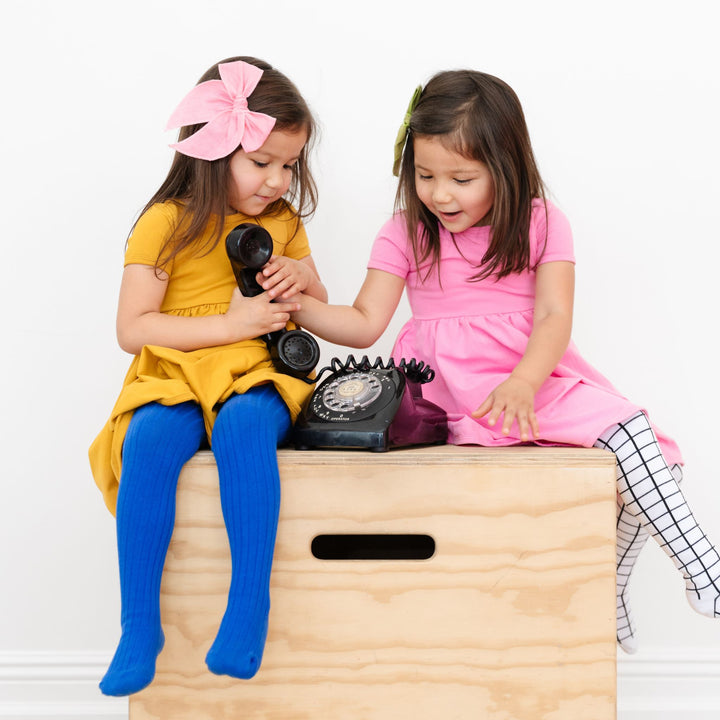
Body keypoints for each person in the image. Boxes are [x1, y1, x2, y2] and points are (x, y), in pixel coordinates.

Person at [288, 70, 720, 654]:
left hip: (527, 382)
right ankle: (701, 574)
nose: (440, 194)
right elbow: (364, 323)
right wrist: (299, 303)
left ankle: (637, 583)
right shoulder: (405, 234)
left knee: (650, 456)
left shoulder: (542, 222)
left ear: (505, 167)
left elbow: (552, 319)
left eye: (461, 178)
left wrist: (524, 380)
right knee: (641, 457)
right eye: (425, 176)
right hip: (447, 391)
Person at [89, 56, 327, 696]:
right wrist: (227, 325)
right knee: (149, 440)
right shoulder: (165, 222)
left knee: (247, 426)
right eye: (262, 163)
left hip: (256, 368)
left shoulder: (282, 223)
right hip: (177, 367)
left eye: (289, 165)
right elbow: (132, 328)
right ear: (214, 151)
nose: (278, 181)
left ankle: (248, 605)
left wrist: (299, 279)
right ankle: (140, 626)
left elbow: (314, 296)